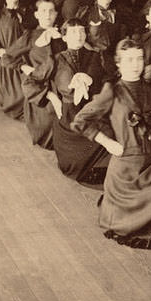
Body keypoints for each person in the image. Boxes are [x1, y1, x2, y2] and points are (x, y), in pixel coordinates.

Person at [71, 38, 151, 251]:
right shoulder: (112, 91)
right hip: (126, 164)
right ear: (118, 63)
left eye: (139, 59)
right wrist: (108, 142)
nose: (135, 64)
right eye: (129, 60)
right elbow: (80, 121)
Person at [50, 17, 108, 184]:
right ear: (65, 37)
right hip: (69, 116)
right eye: (73, 32)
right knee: (72, 159)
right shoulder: (56, 59)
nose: (78, 35)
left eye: (82, 31)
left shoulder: (96, 56)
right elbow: (33, 80)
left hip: (92, 110)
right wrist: (52, 97)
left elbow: (108, 78)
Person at [6, 0, 65, 149]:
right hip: (40, 89)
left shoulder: (62, 34)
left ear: (56, 15)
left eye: (51, 11)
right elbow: (7, 58)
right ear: (37, 15)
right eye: (44, 11)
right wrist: (24, 67)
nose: (48, 15)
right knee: (49, 131)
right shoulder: (30, 36)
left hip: (63, 85)